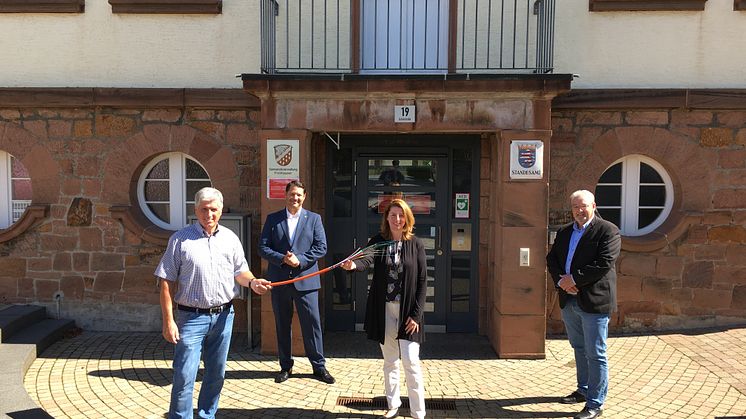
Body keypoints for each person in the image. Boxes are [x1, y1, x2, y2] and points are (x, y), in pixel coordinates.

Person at [156, 187, 271, 419]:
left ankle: (207, 415)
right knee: (184, 376)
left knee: (216, 374)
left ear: (221, 210)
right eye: (204, 209)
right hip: (190, 318)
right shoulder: (180, 240)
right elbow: (165, 282)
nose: (209, 214)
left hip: (223, 317)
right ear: (195, 210)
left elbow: (241, 272)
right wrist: (168, 321)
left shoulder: (230, 238)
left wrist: (253, 283)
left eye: (214, 209)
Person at [341, 198, 427, 419]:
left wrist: (416, 315)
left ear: (407, 218)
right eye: (393, 215)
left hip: (408, 312)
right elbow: (365, 259)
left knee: (411, 361)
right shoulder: (379, 241)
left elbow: (422, 281)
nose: (397, 220)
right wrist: (353, 265)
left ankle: (418, 412)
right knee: (390, 361)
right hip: (385, 310)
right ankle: (393, 404)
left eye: (401, 215)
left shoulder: (415, 244)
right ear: (386, 219)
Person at [546, 189, 621, 419]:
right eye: (575, 207)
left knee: (596, 353)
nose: (580, 211)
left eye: (584, 206)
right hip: (569, 299)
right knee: (579, 348)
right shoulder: (565, 232)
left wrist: (574, 279)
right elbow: (552, 259)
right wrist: (562, 281)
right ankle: (583, 389)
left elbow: (604, 262)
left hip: (594, 301)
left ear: (594, 205)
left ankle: (595, 404)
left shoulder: (608, 230)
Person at [258, 180, 335, 384]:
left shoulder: (314, 219)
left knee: (312, 325)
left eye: (299, 195)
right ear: (286, 195)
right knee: (282, 324)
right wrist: (282, 259)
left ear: (304, 196)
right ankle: (285, 366)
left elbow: (321, 247)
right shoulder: (273, 219)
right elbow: (263, 248)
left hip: (306, 281)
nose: (295, 198)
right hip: (281, 281)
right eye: (292, 194)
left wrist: (299, 259)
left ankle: (319, 367)